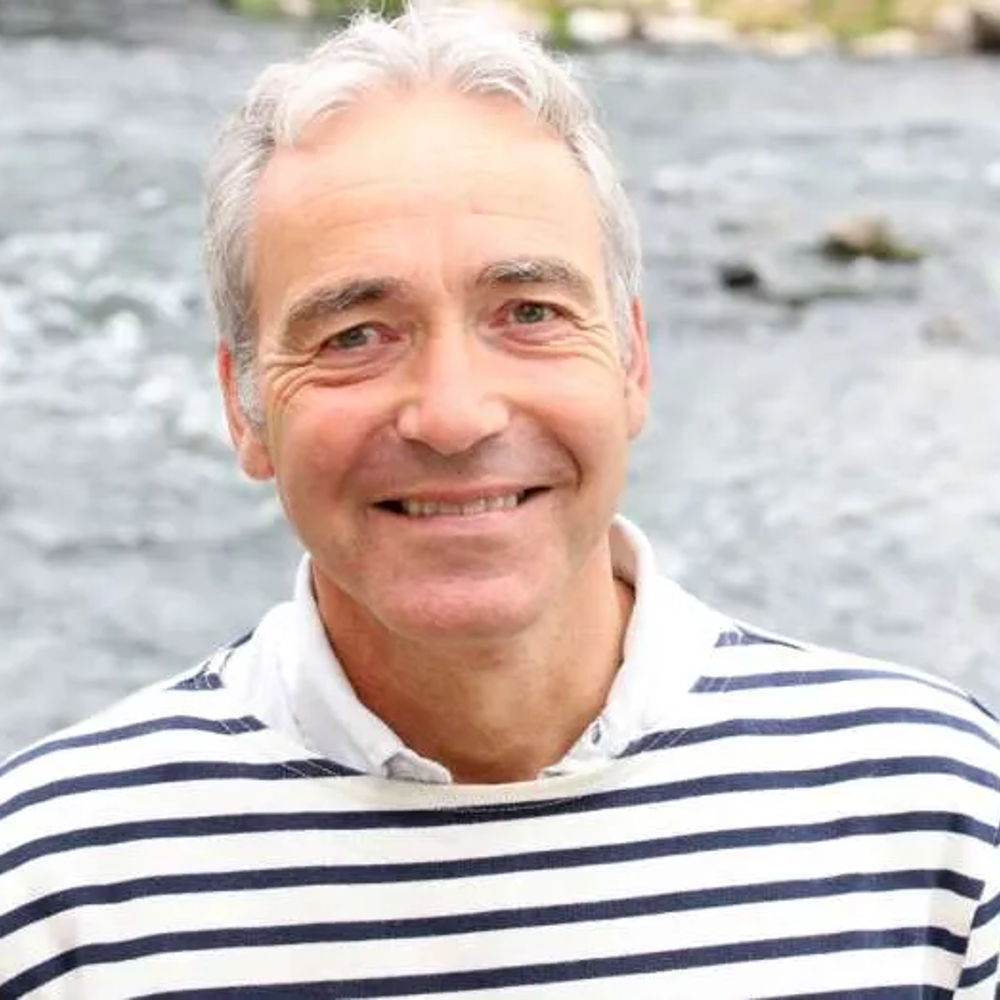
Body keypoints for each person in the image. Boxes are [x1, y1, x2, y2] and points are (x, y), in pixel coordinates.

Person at [1, 8, 998, 997]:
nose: (454, 414)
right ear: (243, 407)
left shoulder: (936, 821)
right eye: (355, 335)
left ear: (633, 363)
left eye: (529, 313)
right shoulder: (53, 893)